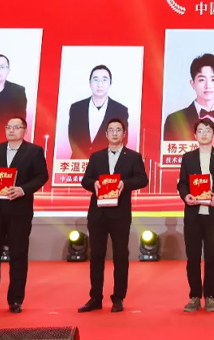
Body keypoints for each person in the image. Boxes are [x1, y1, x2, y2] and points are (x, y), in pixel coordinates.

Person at [0, 117, 49, 315]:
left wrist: (23, 189)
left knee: (18, 255)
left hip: (19, 210)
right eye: (8, 127)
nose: (11, 130)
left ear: (25, 130)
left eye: (16, 127)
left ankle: (15, 300)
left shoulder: (34, 151)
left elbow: (42, 176)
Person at [79, 118, 149, 313]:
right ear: (106, 134)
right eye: (111, 130)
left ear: (124, 134)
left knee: (120, 255)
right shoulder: (96, 157)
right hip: (98, 213)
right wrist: (93, 184)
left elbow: (142, 179)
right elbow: (85, 180)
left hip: (120, 213)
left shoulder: (133, 157)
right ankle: (95, 297)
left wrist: (125, 184)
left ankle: (118, 297)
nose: (115, 133)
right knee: (96, 255)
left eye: (118, 130)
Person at [177, 119, 214, 312]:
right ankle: (194, 296)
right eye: (200, 130)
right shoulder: (188, 157)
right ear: (195, 135)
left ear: (213, 134)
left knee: (212, 257)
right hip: (193, 214)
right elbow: (182, 183)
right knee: (193, 258)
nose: (204, 134)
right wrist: (186, 196)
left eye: (208, 130)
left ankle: (210, 296)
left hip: (213, 214)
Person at [163, 53, 214, 162]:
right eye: (201, 80)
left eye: (213, 79)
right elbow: (168, 161)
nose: (208, 86)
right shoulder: (174, 120)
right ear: (192, 83)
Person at [68, 65, 130, 159]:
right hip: (79, 163)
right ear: (90, 83)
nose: (100, 84)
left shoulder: (120, 110)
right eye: (96, 79)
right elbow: (73, 137)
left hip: (109, 162)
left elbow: (122, 139)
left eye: (104, 80)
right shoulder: (76, 108)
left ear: (110, 83)